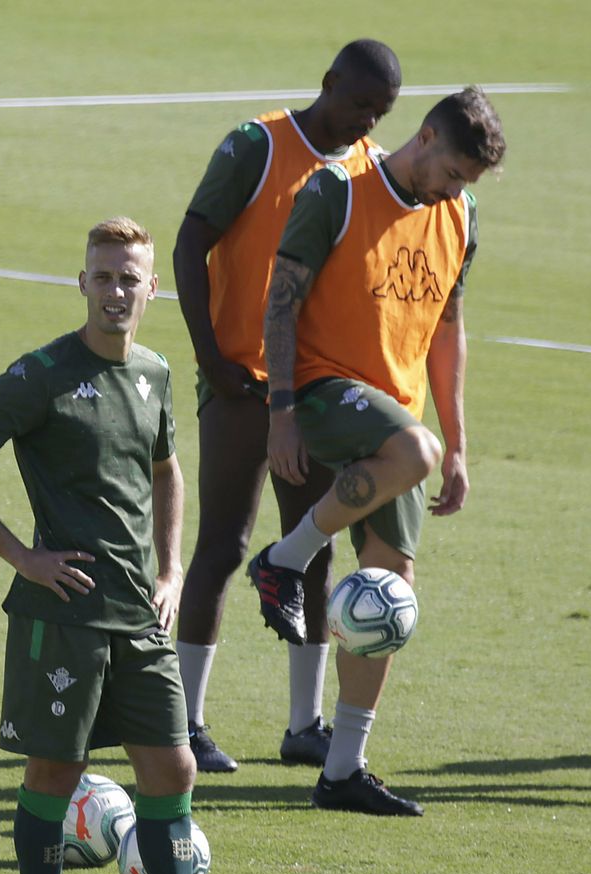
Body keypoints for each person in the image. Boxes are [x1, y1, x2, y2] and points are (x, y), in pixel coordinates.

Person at [0, 217, 285, 874]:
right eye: (104, 276)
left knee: (174, 764)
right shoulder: (40, 375)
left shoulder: (153, 372)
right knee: (57, 770)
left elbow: (167, 471)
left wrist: (173, 567)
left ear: (152, 289)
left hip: (138, 613)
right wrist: (23, 556)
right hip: (64, 616)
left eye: (132, 279)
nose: (117, 291)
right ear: (81, 282)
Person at [247, 87, 506, 816]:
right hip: (326, 391)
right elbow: (281, 303)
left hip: (399, 424)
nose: (455, 191)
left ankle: (341, 770)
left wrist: (456, 444)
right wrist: (284, 413)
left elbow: (449, 330)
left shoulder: (460, 216)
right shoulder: (335, 192)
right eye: (453, 173)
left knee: (389, 593)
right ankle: (287, 558)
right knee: (411, 451)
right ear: (423, 138)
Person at [173, 39, 402, 774]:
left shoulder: (368, 169)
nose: (365, 122)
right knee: (225, 545)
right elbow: (188, 243)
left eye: (380, 112)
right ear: (328, 83)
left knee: (312, 547)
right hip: (241, 386)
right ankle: (185, 724)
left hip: (315, 394)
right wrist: (211, 359)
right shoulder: (256, 146)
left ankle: (304, 725)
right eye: (358, 102)